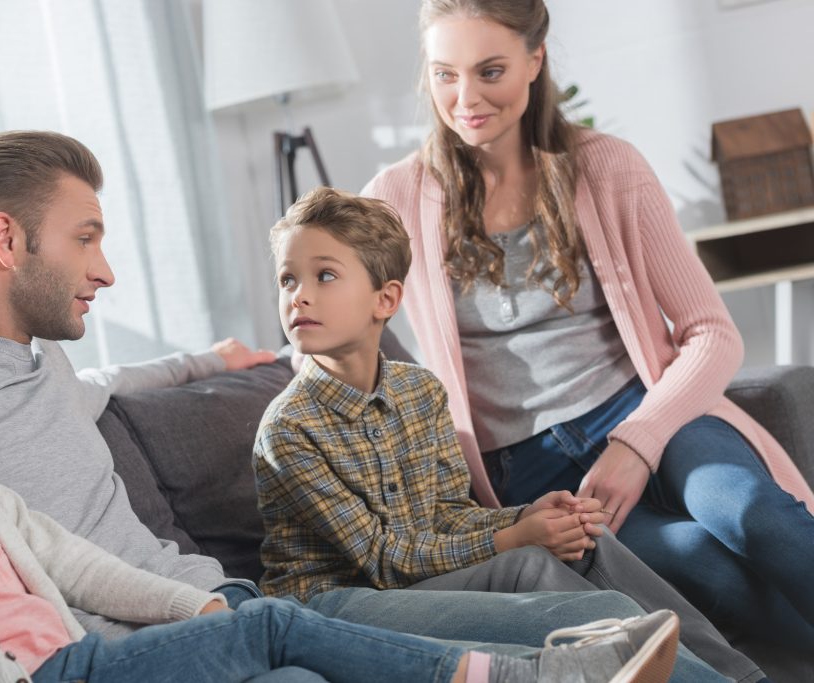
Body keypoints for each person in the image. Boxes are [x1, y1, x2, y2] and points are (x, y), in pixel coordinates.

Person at [0, 131, 718, 682]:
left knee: (605, 623)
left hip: (224, 600)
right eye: (86, 238)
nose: (106, 270)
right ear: (6, 238)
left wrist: (219, 359)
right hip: (158, 648)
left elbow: (122, 380)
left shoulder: (51, 368)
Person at [362, 0, 814, 650]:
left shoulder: (606, 167)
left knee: (748, 513)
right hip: (531, 472)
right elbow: (331, 306)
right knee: (700, 562)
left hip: (649, 413)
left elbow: (712, 332)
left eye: (490, 71)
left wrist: (636, 443)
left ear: (535, 59)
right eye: (445, 74)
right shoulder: (394, 198)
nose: (466, 98)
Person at [254, 186, 758, 683]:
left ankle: (745, 677)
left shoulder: (420, 391)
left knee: (588, 538)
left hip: (411, 579)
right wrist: (512, 538)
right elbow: (384, 561)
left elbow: (446, 514)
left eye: (324, 275)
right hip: (335, 604)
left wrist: (529, 516)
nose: (299, 295)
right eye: (287, 279)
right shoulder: (288, 429)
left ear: (385, 299)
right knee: (529, 567)